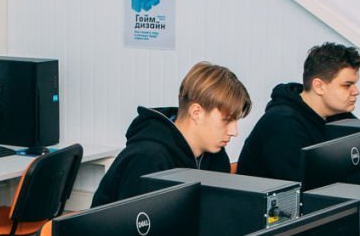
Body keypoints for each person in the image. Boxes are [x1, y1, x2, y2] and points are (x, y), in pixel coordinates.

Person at [89, 62, 251, 207]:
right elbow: (130, 227)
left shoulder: (216, 155)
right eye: (226, 120)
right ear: (196, 112)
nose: (234, 132)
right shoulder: (148, 158)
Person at [234, 42, 360, 181]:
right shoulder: (282, 124)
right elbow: (306, 186)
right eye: (347, 85)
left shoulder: (340, 116)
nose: (356, 91)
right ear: (319, 86)